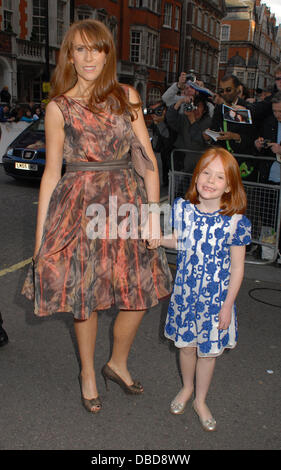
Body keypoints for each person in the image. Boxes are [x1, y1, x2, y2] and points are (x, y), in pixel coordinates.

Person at [22, 19, 173, 414]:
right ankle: (88, 372)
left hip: (126, 204)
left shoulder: (127, 96)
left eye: (97, 48)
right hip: (79, 208)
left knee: (140, 292)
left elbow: (148, 160)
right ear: (69, 56)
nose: (89, 57)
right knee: (84, 297)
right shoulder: (59, 106)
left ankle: (117, 363)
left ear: (108, 53)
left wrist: (154, 216)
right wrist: (40, 242)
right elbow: (52, 173)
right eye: (80, 49)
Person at [160, 147, 251, 431]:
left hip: (215, 301)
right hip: (186, 294)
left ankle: (200, 399)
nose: (210, 180)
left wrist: (227, 306)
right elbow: (180, 240)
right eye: (206, 172)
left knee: (207, 353)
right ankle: (187, 388)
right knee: (186, 348)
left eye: (220, 177)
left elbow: (237, 268)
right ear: (196, 175)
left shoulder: (236, 221)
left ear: (230, 186)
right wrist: (159, 239)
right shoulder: (183, 208)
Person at [166, 94, 212, 172]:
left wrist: (192, 120)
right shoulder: (184, 119)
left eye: (198, 107)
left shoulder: (209, 122)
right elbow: (170, 118)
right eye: (193, 106)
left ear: (204, 110)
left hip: (201, 165)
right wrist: (180, 101)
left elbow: (198, 139)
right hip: (183, 164)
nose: (195, 110)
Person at [147, 100, 176, 186]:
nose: (154, 113)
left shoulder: (171, 119)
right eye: (152, 110)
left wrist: (160, 122)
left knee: (173, 172)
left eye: (157, 110)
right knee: (165, 167)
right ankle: (166, 183)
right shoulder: (155, 122)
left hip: (173, 151)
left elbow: (167, 135)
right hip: (163, 150)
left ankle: (171, 187)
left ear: (164, 110)